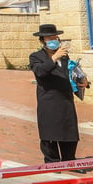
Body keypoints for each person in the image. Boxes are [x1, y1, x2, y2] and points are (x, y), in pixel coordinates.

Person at [28, 24, 83, 164]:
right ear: (42, 41)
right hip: (49, 100)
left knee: (69, 132)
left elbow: (68, 74)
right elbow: (40, 72)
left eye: (55, 38)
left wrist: (81, 81)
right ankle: (52, 162)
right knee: (50, 132)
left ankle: (69, 161)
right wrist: (53, 58)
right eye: (50, 38)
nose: (54, 41)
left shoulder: (64, 57)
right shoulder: (36, 57)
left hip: (65, 99)